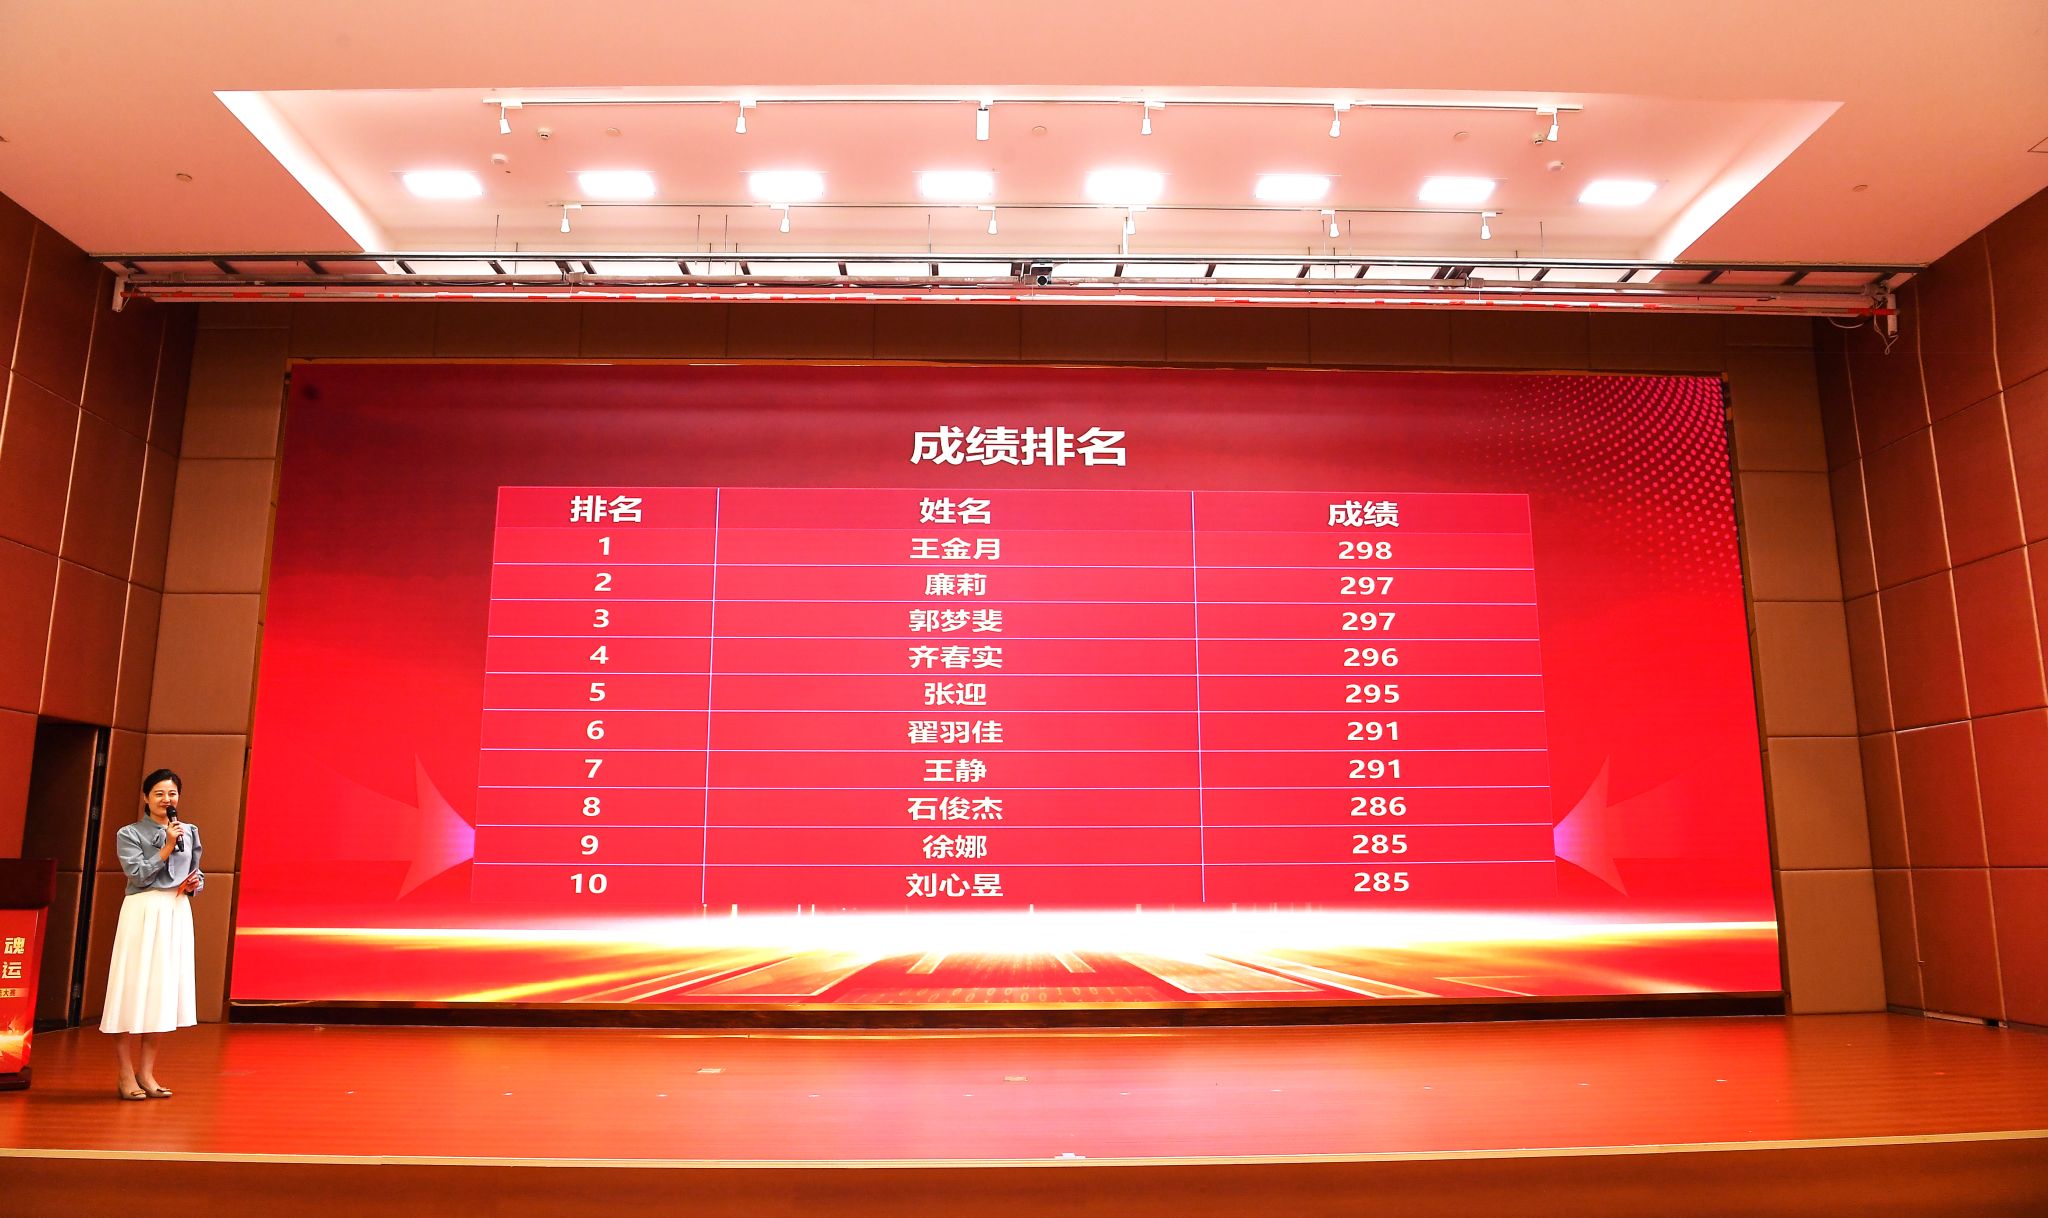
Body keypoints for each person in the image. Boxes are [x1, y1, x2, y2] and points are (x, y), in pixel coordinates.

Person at [102, 768, 204, 1100]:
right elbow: (138, 875)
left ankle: (146, 1072)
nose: (166, 799)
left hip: (175, 911)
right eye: (159, 793)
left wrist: (194, 883)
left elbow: (196, 871)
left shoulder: (190, 831)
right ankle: (124, 1073)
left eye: (172, 793)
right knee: (131, 988)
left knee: (161, 991)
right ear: (146, 798)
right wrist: (167, 846)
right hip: (143, 911)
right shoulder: (129, 833)